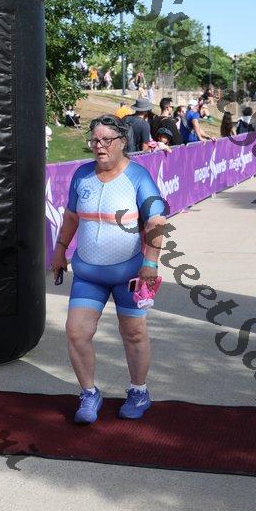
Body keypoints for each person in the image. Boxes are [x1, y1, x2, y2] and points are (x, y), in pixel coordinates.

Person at [50, 114, 167, 424]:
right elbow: (71, 217)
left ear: (122, 142)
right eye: (94, 140)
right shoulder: (82, 175)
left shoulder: (138, 177)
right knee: (76, 332)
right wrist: (60, 250)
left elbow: (156, 221)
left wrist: (151, 263)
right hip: (88, 275)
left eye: (106, 140)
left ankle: (138, 391)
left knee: (134, 333)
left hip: (129, 274)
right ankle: (89, 393)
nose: (98, 146)